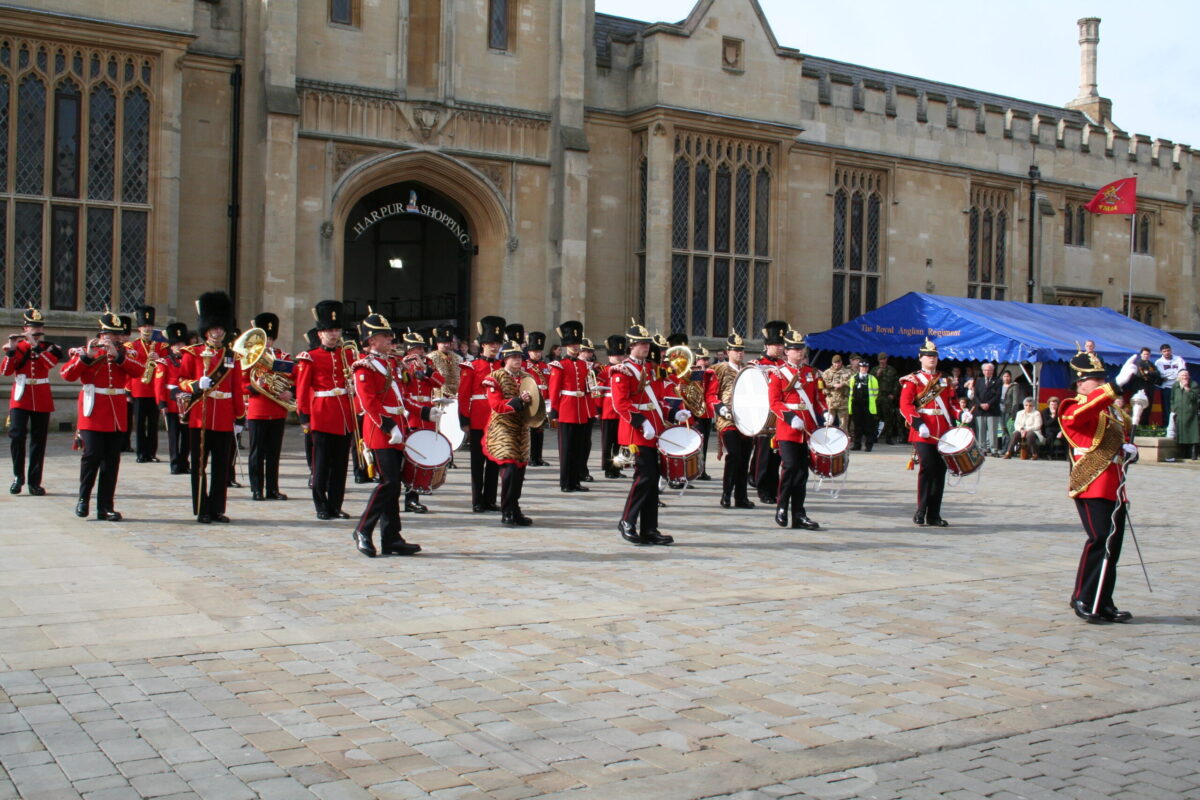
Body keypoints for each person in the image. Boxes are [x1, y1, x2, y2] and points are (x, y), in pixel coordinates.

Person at [1060, 349, 1139, 623]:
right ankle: (1082, 596)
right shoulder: (1072, 406)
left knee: (1113, 545)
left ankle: (1103, 601)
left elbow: (1121, 438)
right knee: (1099, 539)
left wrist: (1131, 450)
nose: (1101, 381)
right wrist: (1114, 386)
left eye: (1102, 377)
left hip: (1115, 484)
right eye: (1096, 378)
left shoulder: (1112, 410)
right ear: (1080, 382)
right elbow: (1080, 416)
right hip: (1091, 483)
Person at [60, 312, 143, 521]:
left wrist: (119, 356)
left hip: (116, 413)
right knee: (92, 456)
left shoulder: (126, 353)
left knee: (111, 461)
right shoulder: (88, 352)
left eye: (117, 335)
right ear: (101, 334)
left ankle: (106, 506)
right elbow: (67, 374)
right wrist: (86, 356)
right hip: (93, 411)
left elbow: (139, 371)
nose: (113, 338)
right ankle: (83, 499)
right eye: (109, 334)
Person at [351, 314, 420, 557]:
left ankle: (391, 537)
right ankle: (362, 529)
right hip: (381, 430)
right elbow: (368, 402)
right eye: (385, 335)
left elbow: (402, 398)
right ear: (370, 340)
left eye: (390, 334)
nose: (391, 338)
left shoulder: (391, 363)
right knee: (388, 482)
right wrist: (389, 426)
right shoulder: (363, 366)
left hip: (397, 427)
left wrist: (427, 411)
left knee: (395, 485)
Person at [177, 292, 245, 524]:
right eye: (213, 329)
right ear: (205, 330)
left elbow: (236, 388)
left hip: (224, 416)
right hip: (200, 416)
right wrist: (197, 385)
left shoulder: (231, 357)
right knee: (199, 466)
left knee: (221, 468)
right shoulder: (192, 354)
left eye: (221, 329)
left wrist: (239, 417)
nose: (217, 332)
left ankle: (217, 508)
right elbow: (181, 382)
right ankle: (201, 507)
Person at [612, 322, 678, 545]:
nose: (646, 348)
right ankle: (627, 521)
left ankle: (650, 528)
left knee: (652, 479)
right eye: (641, 344)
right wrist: (641, 422)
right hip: (637, 432)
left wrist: (675, 413)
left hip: (654, 430)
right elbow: (620, 403)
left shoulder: (651, 369)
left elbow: (658, 400)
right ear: (631, 346)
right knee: (644, 477)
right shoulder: (622, 370)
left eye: (647, 344)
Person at [295, 301, 357, 521]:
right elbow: (302, 390)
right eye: (329, 330)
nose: (333, 334)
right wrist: (304, 417)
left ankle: (335, 505)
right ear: (320, 334)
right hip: (321, 415)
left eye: (336, 330)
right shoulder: (310, 357)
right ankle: (321, 505)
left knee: (340, 466)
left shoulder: (348, 355)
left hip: (344, 417)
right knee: (321, 465)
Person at [900, 339, 968, 527]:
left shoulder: (944, 380)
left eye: (934, 356)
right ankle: (921, 510)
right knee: (927, 468)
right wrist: (918, 423)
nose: (932, 359)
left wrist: (961, 413)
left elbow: (952, 404)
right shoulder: (912, 379)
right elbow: (905, 405)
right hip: (923, 431)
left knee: (940, 471)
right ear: (920, 358)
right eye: (928, 356)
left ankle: (934, 514)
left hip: (943, 431)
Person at [768, 330, 827, 530]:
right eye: (794, 349)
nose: (799, 352)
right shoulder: (777, 374)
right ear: (786, 351)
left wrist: (825, 414)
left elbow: (818, 400)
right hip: (788, 429)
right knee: (790, 467)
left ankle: (799, 514)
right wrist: (791, 418)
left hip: (807, 429)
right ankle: (781, 506)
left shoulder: (811, 373)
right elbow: (775, 403)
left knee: (802, 473)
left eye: (801, 348)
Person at [3, 308, 62, 495]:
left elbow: (50, 364)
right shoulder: (18, 347)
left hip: (42, 396)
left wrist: (35, 346)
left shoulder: (48, 347)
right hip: (21, 396)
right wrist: (11, 351)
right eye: (32, 328)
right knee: (17, 436)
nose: (36, 331)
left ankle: (34, 481)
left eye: (38, 328)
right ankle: (17, 477)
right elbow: (5, 371)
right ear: (25, 328)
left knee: (39, 441)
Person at [483, 340, 535, 526]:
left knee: (520, 471)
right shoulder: (494, 377)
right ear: (505, 359)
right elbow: (496, 405)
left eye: (519, 357)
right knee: (510, 471)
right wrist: (519, 401)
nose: (517, 360)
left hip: (521, 428)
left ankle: (515, 508)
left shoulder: (527, 377)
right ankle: (507, 511)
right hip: (502, 429)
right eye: (513, 357)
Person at [242, 312, 292, 501]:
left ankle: (272, 488)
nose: (268, 342)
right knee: (257, 453)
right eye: (265, 339)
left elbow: (291, 379)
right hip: (258, 411)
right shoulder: (250, 359)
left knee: (274, 454)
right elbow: (241, 385)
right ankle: (257, 489)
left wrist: (290, 392)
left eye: (270, 339)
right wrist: (257, 386)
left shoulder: (282, 356)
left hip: (277, 410)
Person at [459, 316, 505, 512]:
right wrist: (464, 420)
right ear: (482, 345)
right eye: (490, 344)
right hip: (478, 420)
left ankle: (490, 499)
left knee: (494, 462)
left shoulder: (502, 367)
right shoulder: (472, 367)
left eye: (497, 344)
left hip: (497, 420)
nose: (494, 348)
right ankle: (477, 500)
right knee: (477, 463)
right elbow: (463, 396)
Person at [397, 329, 445, 512]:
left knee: (424, 456)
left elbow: (440, 382)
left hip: (428, 414)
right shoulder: (402, 366)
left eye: (422, 349)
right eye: (416, 349)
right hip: (411, 415)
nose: (421, 352)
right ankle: (410, 496)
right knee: (411, 458)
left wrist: (426, 370)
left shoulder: (428, 364)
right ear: (409, 350)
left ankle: (417, 489)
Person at [708, 331, 755, 509]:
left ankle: (741, 496)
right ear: (728, 351)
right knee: (734, 455)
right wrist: (718, 406)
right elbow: (710, 393)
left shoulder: (749, 369)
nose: (739, 353)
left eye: (741, 350)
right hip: (727, 418)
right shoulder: (718, 369)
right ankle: (726, 493)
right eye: (735, 350)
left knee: (745, 457)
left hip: (747, 418)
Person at [548, 320, 593, 493]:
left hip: (581, 409)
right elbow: (554, 390)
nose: (575, 347)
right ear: (566, 346)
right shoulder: (559, 365)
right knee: (566, 449)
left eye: (576, 344)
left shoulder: (583, 365)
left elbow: (586, 388)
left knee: (578, 448)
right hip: (567, 409)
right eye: (571, 344)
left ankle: (575, 481)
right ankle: (565, 482)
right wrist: (554, 410)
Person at [751, 320, 788, 504]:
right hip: (764, 415)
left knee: (777, 456)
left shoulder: (785, 365)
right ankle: (762, 489)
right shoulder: (757, 364)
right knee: (763, 454)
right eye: (776, 345)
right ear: (767, 346)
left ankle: (774, 489)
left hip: (780, 415)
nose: (780, 348)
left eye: (781, 345)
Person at [125, 306, 167, 463]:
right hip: (139, 390)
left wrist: (158, 359)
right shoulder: (131, 346)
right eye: (144, 326)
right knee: (140, 425)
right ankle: (141, 453)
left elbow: (166, 366)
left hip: (154, 391)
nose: (147, 329)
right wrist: (128, 391)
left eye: (149, 326)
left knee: (153, 425)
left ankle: (152, 452)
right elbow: (128, 368)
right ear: (139, 328)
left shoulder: (161, 347)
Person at [154, 322, 191, 475]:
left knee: (187, 436)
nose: (179, 347)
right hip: (172, 403)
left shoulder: (189, 360)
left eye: (181, 344)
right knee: (174, 436)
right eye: (176, 344)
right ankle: (175, 463)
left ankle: (184, 462)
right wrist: (161, 402)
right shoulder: (164, 362)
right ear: (171, 346)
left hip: (188, 402)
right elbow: (159, 384)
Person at [598, 335, 627, 478]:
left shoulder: (625, 371)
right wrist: (598, 409)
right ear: (610, 356)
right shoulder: (604, 371)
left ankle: (617, 467)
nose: (619, 358)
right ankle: (608, 468)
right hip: (608, 410)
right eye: (616, 355)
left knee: (619, 442)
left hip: (621, 412)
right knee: (608, 442)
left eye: (621, 355)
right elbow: (598, 392)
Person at [523, 330, 551, 467]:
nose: (538, 354)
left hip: (543, 402)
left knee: (539, 431)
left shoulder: (545, 366)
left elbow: (549, 383)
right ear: (529, 351)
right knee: (529, 431)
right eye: (535, 351)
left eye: (539, 351)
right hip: (530, 401)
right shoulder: (524, 366)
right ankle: (530, 457)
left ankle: (538, 457)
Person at [1122, 347, 1161, 428]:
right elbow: (1140, 375)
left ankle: (1144, 426)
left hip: (1149, 389)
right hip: (1138, 389)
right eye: (1144, 354)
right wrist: (1150, 374)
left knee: (1147, 408)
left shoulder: (1151, 364)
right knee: (1137, 409)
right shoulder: (1137, 363)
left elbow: (1157, 374)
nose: (1146, 356)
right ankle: (1135, 428)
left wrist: (1147, 373)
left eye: (1147, 354)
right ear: (1141, 354)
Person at [846, 357, 879, 452]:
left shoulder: (872, 379)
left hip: (868, 405)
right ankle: (857, 444)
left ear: (868, 368)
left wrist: (870, 401)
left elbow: (875, 393)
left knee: (869, 426)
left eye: (865, 367)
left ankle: (869, 445)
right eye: (862, 367)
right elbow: (851, 392)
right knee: (857, 426)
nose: (863, 369)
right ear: (859, 368)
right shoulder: (854, 378)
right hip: (856, 405)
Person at [971, 362, 1002, 455]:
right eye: (985, 370)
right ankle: (982, 448)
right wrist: (980, 404)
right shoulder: (978, 381)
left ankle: (993, 449)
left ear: (992, 371)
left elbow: (998, 395)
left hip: (992, 409)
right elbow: (975, 395)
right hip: (980, 410)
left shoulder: (998, 381)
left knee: (992, 430)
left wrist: (988, 404)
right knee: (981, 430)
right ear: (983, 371)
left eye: (989, 370)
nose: (987, 372)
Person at [872, 352, 901, 444]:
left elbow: (897, 383)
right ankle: (874, 436)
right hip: (877, 397)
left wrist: (893, 394)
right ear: (878, 360)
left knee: (888, 418)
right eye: (881, 359)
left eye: (884, 359)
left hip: (887, 397)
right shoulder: (874, 370)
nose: (882, 361)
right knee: (875, 418)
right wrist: (877, 375)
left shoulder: (891, 370)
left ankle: (889, 438)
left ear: (887, 359)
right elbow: (870, 382)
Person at [1155, 344, 1185, 426]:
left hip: (1178, 387)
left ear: (1171, 350)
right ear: (1161, 352)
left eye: (1168, 350)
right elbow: (1162, 375)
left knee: (1179, 407)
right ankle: (1167, 427)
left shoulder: (1178, 359)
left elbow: (1182, 371)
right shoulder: (1159, 362)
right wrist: (1174, 375)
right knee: (1167, 408)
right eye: (1164, 351)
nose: (1167, 353)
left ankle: (1179, 426)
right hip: (1166, 388)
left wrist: (1170, 376)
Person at [1171, 369, 1199, 460]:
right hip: (1179, 413)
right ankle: (1183, 454)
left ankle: (1194, 454)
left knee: (1193, 434)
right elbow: (1172, 398)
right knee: (1182, 434)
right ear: (1178, 377)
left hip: (1191, 413)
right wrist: (1173, 408)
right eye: (1182, 375)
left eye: (1186, 375)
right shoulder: (1175, 385)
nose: (1184, 377)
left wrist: (1187, 389)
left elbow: (1195, 398)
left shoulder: (1194, 384)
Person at [821, 355, 851, 430]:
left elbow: (852, 382)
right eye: (835, 363)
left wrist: (843, 384)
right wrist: (832, 385)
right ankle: (828, 440)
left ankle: (844, 440)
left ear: (841, 362)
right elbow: (821, 384)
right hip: (830, 401)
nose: (837, 365)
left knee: (843, 425)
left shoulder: (848, 372)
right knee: (828, 422)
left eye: (838, 362)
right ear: (832, 362)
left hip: (843, 401)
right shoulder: (827, 372)